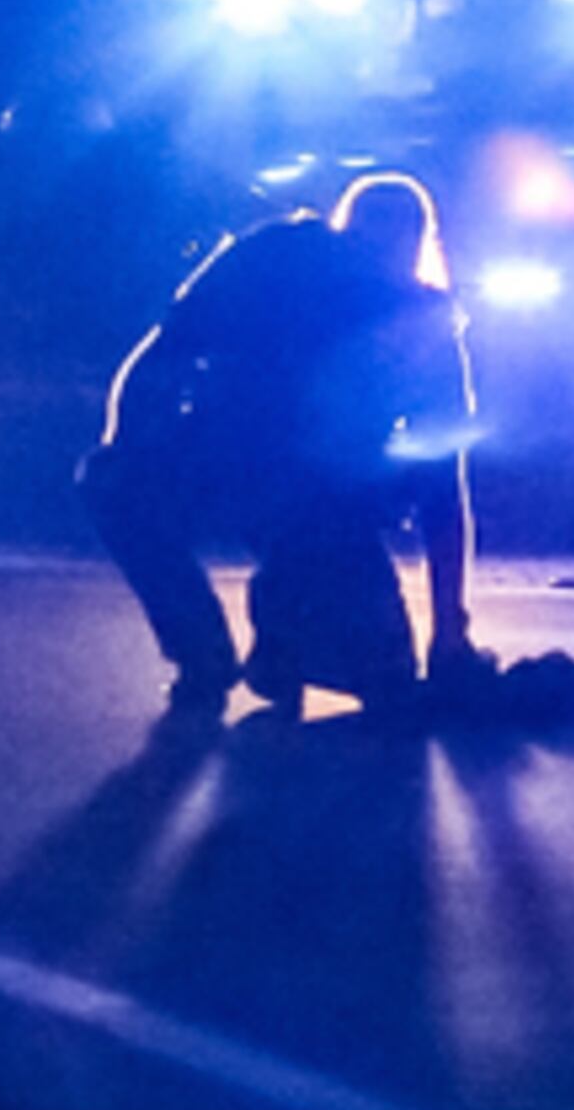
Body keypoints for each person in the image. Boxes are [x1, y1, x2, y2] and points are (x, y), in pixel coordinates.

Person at [80, 172, 487, 715]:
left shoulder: (420, 323)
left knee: (381, 680)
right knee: (110, 482)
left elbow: (442, 484)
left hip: (325, 506)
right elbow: (168, 346)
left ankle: (281, 632)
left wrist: (449, 631)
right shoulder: (273, 259)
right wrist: (126, 446)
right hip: (229, 462)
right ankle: (205, 651)